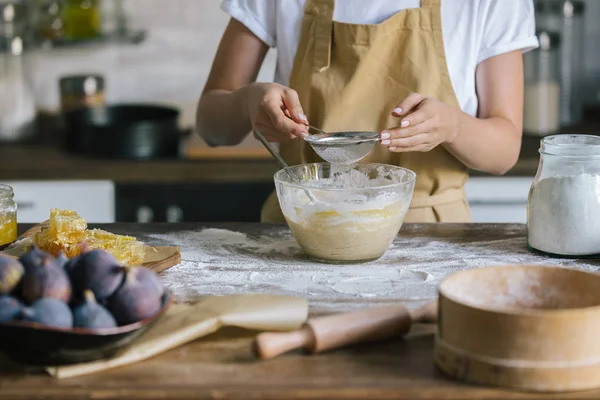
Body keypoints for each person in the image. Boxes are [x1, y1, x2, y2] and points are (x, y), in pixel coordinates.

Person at [196, 0, 539, 223]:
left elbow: (504, 152)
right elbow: (210, 125)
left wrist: (454, 127)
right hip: (299, 229)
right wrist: (247, 101)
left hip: (431, 235)